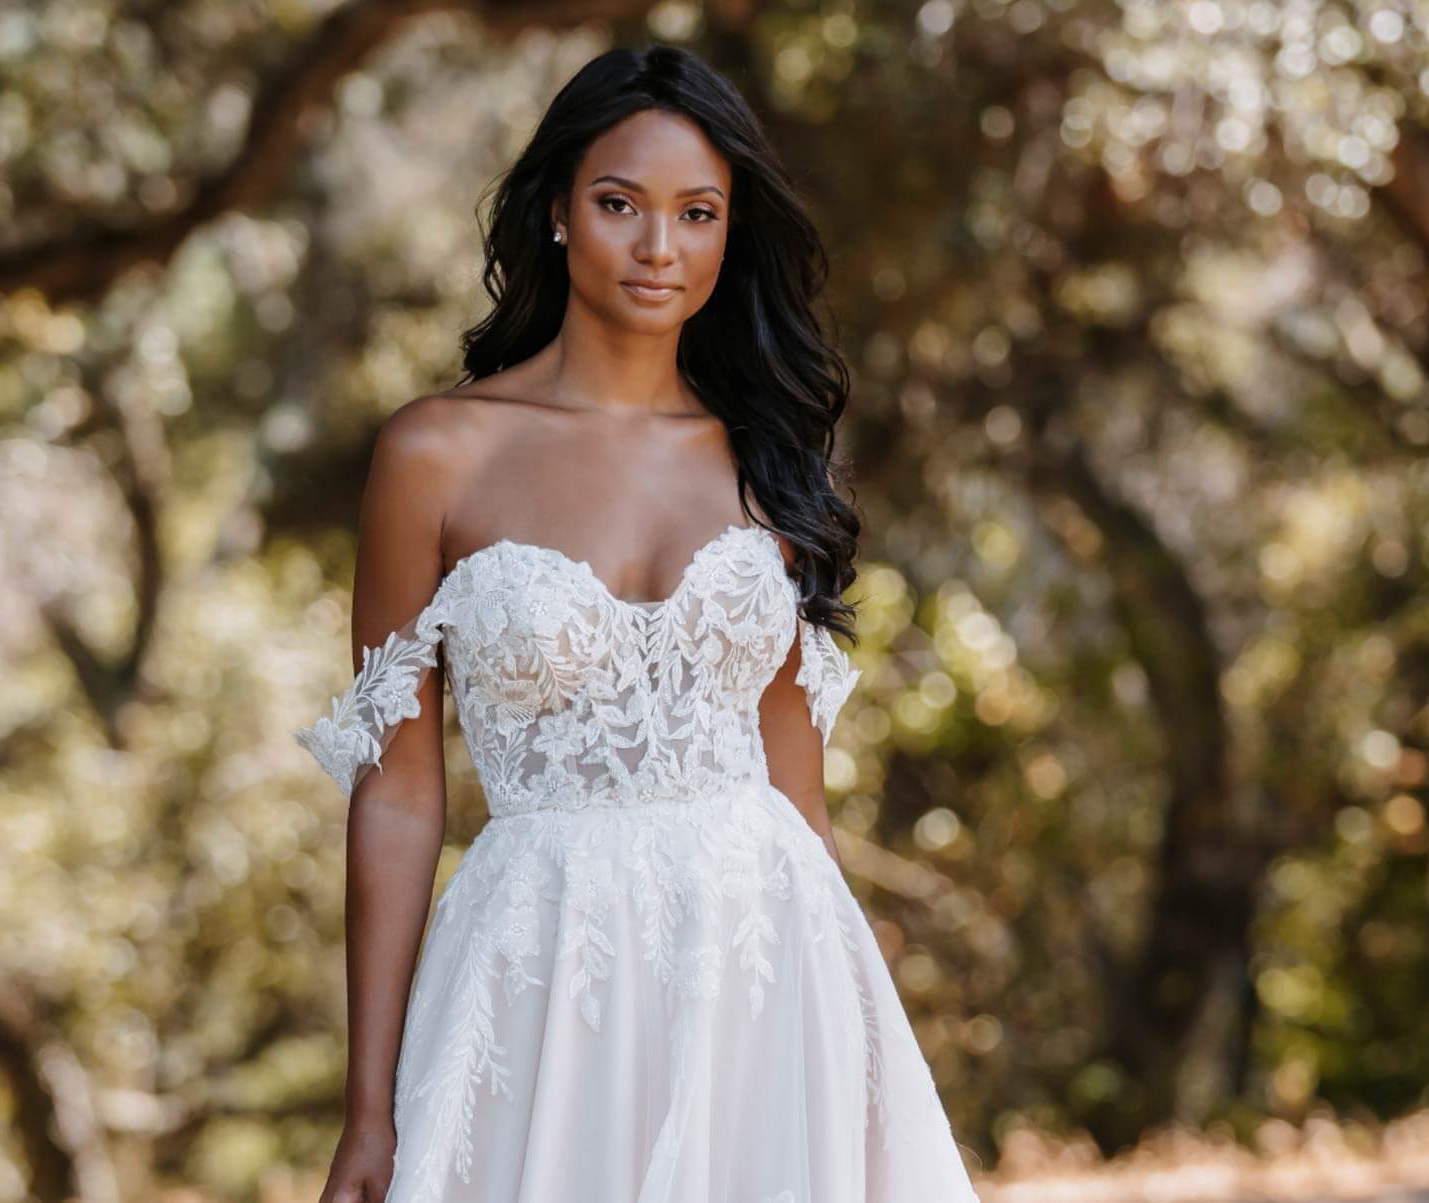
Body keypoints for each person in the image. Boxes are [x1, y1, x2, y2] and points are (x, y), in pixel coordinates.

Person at [298, 44, 982, 1203]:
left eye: (696, 213)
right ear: (559, 210)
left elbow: (794, 799)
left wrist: (859, 1056)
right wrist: (370, 1108)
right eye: (620, 204)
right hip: (538, 970)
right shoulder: (434, 455)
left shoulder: (769, 461)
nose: (659, 248)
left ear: (729, 231)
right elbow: (402, 790)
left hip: (767, 972)